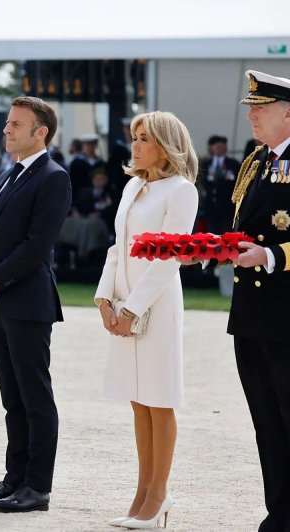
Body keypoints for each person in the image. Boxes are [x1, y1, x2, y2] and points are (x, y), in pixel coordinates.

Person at [0, 97, 71, 513]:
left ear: (40, 132)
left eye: (16, 124)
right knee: (12, 397)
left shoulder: (53, 177)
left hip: (27, 302)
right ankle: (14, 478)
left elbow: (37, 245)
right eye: (8, 123)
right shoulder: (7, 175)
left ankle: (37, 487)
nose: (6, 130)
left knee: (34, 396)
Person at [95, 111, 198, 528]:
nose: (134, 145)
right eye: (133, 137)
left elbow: (171, 256)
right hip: (123, 300)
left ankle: (158, 496)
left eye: (143, 139)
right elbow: (116, 248)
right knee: (138, 401)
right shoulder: (132, 186)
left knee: (160, 399)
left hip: (156, 303)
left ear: (165, 145)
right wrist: (105, 298)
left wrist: (134, 307)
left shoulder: (181, 190)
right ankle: (141, 492)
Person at [227, 70, 290, 532]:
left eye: (261, 108)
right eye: (251, 107)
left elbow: (270, 240)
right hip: (251, 315)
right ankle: (280, 513)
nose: (251, 115)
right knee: (266, 421)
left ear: (288, 113)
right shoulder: (258, 161)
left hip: (285, 314)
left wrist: (269, 254)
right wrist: (210, 248)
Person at [197, 135, 240, 235]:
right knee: (211, 235)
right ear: (212, 148)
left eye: (221, 147)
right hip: (210, 208)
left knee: (226, 235)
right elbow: (202, 182)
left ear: (225, 148)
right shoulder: (206, 164)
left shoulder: (233, 164)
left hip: (227, 208)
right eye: (216, 147)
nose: (218, 149)